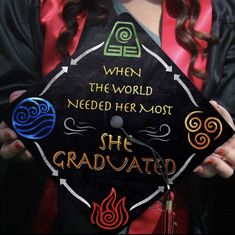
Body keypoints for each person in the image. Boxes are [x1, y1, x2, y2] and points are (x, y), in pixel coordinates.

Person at [0, 0, 234, 234]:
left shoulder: (219, 15)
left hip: (167, 220)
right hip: (56, 216)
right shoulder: (35, 6)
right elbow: (10, 89)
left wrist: (223, 150)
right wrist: (13, 126)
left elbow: (226, 113)